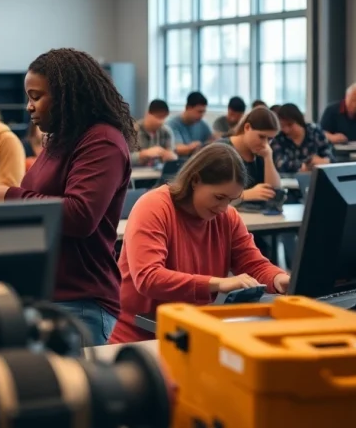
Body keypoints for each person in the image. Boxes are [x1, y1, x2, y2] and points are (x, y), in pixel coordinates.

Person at [0, 48, 135, 346]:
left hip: (80, 300)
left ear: (66, 96)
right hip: (48, 294)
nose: (29, 107)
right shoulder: (61, 139)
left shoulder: (102, 141)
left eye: (36, 97)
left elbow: (80, 215)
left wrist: (11, 197)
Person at [109, 144, 290, 344]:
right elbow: (148, 277)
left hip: (192, 331)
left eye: (231, 200)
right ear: (195, 181)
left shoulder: (228, 217)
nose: (223, 208)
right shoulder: (153, 207)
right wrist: (217, 283)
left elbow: (253, 264)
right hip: (138, 338)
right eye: (219, 197)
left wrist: (279, 279)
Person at [214, 107, 282, 202]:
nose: (265, 144)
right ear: (247, 127)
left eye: (270, 139)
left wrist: (268, 158)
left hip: (257, 211)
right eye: (261, 137)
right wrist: (244, 195)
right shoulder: (221, 150)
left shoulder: (263, 152)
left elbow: (274, 191)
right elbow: (212, 193)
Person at [271, 103, 334, 174]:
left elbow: (330, 156)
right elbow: (280, 163)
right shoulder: (278, 138)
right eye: (282, 126)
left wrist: (322, 161)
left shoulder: (314, 132)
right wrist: (302, 166)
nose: (286, 130)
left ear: (299, 120)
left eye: (290, 125)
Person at [132, 99, 177, 166]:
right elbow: (123, 158)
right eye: (159, 117)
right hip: (137, 170)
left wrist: (170, 156)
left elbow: (173, 154)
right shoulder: (132, 131)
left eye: (164, 118)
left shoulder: (166, 132)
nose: (161, 122)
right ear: (148, 114)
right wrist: (143, 154)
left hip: (158, 170)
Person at [168, 91, 213, 156]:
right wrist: (194, 146)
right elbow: (177, 149)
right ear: (187, 107)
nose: (202, 115)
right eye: (199, 111)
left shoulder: (202, 124)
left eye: (204, 112)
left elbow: (212, 140)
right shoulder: (172, 124)